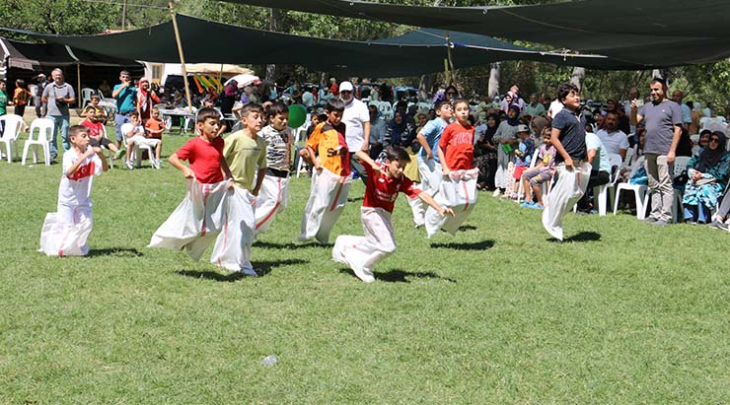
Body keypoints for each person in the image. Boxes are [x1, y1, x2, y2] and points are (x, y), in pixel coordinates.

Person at [333, 147, 454, 283]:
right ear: (388, 162)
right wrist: (373, 164)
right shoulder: (376, 169)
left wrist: (439, 209)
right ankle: (363, 266)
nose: (401, 170)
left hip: (385, 215)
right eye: (398, 166)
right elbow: (358, 153)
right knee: (388, 247)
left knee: (374, 243)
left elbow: (420, 194)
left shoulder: (401, 180)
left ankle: (344, 243)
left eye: (403, 167)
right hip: (371, 211)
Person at [149, 108, 236, 268]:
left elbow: (221, 158)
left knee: (215, 226)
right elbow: (173, 158)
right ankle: (170, 238)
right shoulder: (194, 144)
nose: (217, 127)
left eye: (218, 124)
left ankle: (193, 247)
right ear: (200, 126)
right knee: (192, 220)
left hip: (216, 188)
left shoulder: (219, 142)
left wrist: (228, 176)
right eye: (212, 124)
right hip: (198, 187)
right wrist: (185, 170)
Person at [211, 103, 267, 276]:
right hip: (233, 188)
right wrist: (226, 179)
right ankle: (239, 263)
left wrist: (256, 188)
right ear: (244, 120)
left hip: (247, 190)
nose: (260, 120)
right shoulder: (235, 138)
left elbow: (263, 166)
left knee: (235, 226)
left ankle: (222, 258)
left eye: (262, 117)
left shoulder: (260, 142)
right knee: (246, 225)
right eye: (255, 117)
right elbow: (218, 157)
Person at [39, 125, 109, 256]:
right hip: (67, 199)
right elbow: (69, 172)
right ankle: (60, 250)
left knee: (86, 224)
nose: (88, 139)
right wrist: (84, 157)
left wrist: (101, 155)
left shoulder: (91, 155)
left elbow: (104, 168)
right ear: (73, 139)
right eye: (84, 136)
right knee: (67, 227)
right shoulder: (68, 155)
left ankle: (76, 249)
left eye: (88, 136)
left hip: (83, 198)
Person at [299, 98, 352, 244]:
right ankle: (307, 232)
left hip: (342, 170)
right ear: (327, 113)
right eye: (335, 115)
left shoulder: (343, 127)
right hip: (324, 169)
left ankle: (322, 233)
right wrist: (315, 162)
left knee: (337, 205)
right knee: (319, 201)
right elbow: (310, 145)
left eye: (341, 115)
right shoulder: (321, 127)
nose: (338, 118)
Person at [542, 83, 590, 241]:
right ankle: (553, 223)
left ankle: (553, 210)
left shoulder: (581, 115)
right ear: (563, 99)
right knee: (566, 194)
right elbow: (554, 138)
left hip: (579, 161)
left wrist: (585, 156)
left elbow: (581, 136)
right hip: (565, 162)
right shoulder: (562, 115)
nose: (577, 97)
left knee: (575, 194)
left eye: (577, 94)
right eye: (572, 95)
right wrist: (567, 157)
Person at [632, 78, 683, 226]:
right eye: (652, 90)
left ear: (664, 89)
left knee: (665, 184)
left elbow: (678, 130)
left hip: (664, 151)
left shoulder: (673, 106)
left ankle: (665, 217)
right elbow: (634, 122)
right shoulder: (647, 106)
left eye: (657, 89)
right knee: (653, 184)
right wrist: (634, 109)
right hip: (649, 150)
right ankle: (655, 214)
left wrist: (672, 151)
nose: (653, 92)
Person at [255, 101, 292, 235]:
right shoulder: (264, 133)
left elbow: (288, 148)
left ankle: (252, 222)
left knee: (281, 205)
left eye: (287, 119)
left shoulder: (289, 132)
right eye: (281, 119)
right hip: (269, 172)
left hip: (284, 173)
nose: (284, 122)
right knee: (275, 201)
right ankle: (251, 227)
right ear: (271, 118)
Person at [415, 100, 453, 225]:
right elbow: (420, 135)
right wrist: (428, 151)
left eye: (450, 108)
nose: (449, 109)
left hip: (437, 161)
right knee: (436, 187)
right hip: (426, 159)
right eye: (446, 107)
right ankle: (436, 217)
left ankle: (416, 198)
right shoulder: (435, 123)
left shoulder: (450, 125)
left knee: (428, 187)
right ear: (438, 112)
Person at [682, 131, 730, 224]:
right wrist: (693, 173)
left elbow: (721, 174)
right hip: (698, 179)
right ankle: (689, 216)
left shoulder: (726, 156)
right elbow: (690, 164)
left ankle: (702, 217)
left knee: (705, 189)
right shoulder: (702, 152)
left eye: (716, 141)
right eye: (711, 139)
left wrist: (703, 175)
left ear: (721, 142)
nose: (713, 142)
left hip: (717, 182)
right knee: (690, 185)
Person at [340, 81, 371, 184]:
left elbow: (366, 123)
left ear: (352, 92)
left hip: (357, 146)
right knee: (339, 174)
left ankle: (375, 193)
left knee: (364, 172)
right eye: (343, 92)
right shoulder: (337, 105)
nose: (346, 94)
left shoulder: (360, 106)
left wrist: (366, 141)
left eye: (348, 92)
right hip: (340, 146)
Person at [41, 68, 76, 159]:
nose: (58, 77)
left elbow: (73, 100)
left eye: (59, 75)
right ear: (52, 77)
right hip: (51, 115)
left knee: (65, 136)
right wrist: (50, 103)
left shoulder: (68, 87)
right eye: (56, 75)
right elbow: (43, 98)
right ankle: (53, 154)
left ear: (62, 76)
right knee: (52, 136)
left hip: (64, 115)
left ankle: (67, 154)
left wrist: (64, 100)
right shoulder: (49, 87)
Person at [521, 127, 556, 209]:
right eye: (545, 137)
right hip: (542, 169)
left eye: (548, 138)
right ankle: (528, 199)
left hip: (550, 171)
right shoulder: (543, 147)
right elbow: (542, 162)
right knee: (525, 175)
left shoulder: (555, 148)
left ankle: (540, 203)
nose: (546, 140)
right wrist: (532, 169)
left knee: (534, 181)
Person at [577, 131, 612, 213]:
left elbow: (592, 155)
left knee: (580, 180)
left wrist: (583, 171)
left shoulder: (591, 137)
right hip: (592, 171)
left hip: (602, 173)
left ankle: (584, 208)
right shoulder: (578, 140)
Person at [492, 104, 521, 196]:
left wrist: (515, 141)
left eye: (514, 111)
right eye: (510, 111)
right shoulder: (503, 124)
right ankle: (499, 187)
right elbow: (495, 136)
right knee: (501, 166)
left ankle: (509, 187)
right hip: (502, 149)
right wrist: (500, 139)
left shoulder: (519, 126)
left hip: (512, 150)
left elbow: (523, 138)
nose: (511, 113)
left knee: (510, 167)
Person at [112, 70, 137, 149]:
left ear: (130, 78)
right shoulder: (117, 86)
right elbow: (114, 95)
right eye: (123, 77)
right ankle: (117, 151)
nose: (125, 79)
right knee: (119, 134)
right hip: (120, 114)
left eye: (127, 77)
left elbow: (136, 100)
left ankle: (131, 153)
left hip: (130, 114)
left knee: (131, 133)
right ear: (120, 78)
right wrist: (123, 86)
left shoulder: (133, 89)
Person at [474, 113, 499, 191]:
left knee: (486, 160)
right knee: (477, 159)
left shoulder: (498, 132)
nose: (490, 122)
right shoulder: (486, 131)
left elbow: (498, 147)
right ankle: (479, 180)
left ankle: (484, 182)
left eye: (493, 120)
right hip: (484, 152)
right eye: (489, 120)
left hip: (495, 154)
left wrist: (490, 147)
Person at [510, 124, 535, 200]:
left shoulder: (528, 142)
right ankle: (515, 193)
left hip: (525, 163)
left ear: (523, 133)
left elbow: (523, 154)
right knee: (517, 178)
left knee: (525, 179)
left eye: (519, 134)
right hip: (519, 163)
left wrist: (517, 152)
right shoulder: (522, 141)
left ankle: (522, 193)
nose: (519, 136)